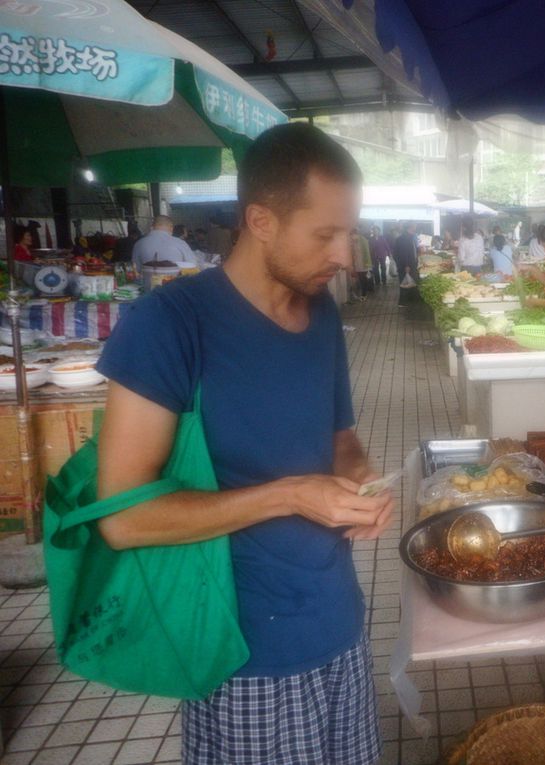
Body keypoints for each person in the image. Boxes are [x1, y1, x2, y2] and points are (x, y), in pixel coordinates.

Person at [95, 123, 392, 765]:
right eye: (325, 234)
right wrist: (289, 496)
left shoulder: (324, 314)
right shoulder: (170, 324)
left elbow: (340, 436)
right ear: (260, 220)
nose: (346, 254)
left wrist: (360, 475)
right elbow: (122, 518)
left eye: (351, 231)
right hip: (241, 652)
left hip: (338, 622)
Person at [132, 215, 198, 270]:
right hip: (175, 284)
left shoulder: (139, 244)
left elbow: (136, 269)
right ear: (171, 228)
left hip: (148, 284)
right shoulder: (180, 243)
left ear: (152, 227)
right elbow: (193, 265)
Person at [393, 221, 419, 307]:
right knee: (405, 283)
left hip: (409, 264)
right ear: (410, 227)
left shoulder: (409, 237)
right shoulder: (404, 238)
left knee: (409, 282)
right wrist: (406, 265)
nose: (416, 227)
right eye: (415, 225)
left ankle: (409, 300)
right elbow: (403, 253)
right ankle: (403, 302)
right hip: (406, 265)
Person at [352, 227, 373, 300]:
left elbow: (367, 252)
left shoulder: (363, 240)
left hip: (365, 264)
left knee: (365, 279)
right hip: (358, 264)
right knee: (361, 280)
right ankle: (364, 293)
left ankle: (364, 294)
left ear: (357, 234)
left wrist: (367, 264)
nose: (352, 237)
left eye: (353, 235)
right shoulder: (353, 242)